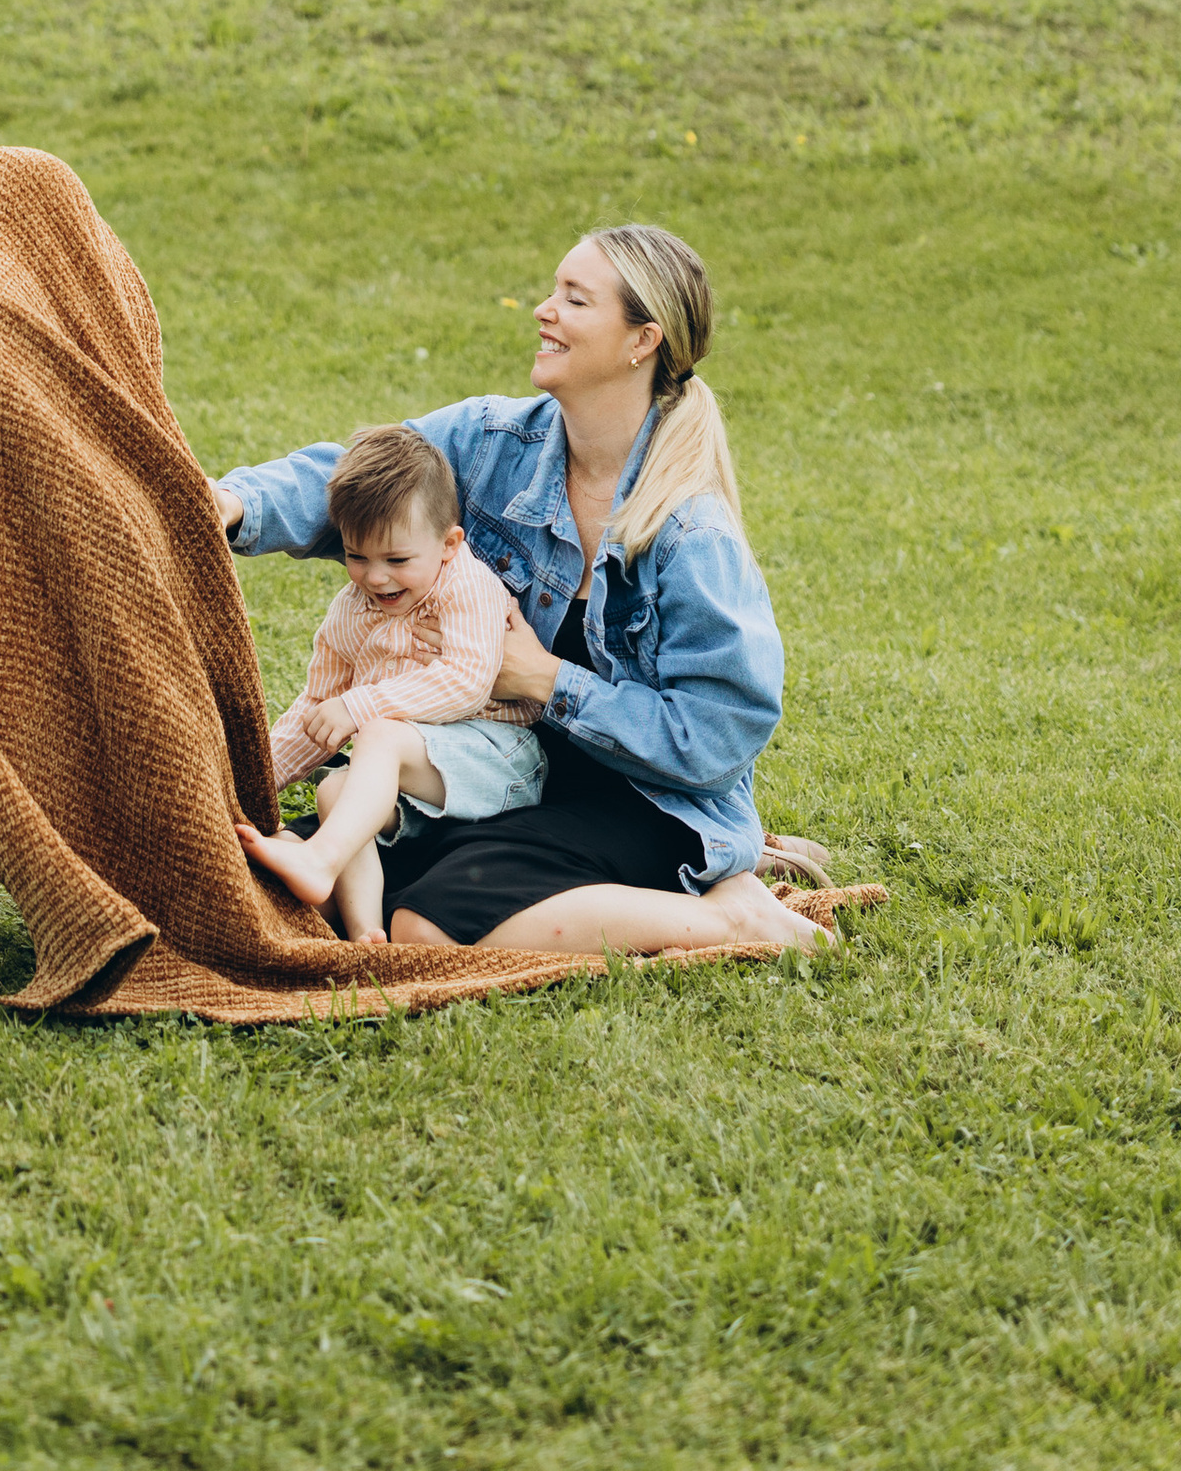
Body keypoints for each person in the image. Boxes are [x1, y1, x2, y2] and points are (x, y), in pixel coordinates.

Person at [211, 224, 826, 957]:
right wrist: (231, 505)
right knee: (284, 871)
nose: (544, 309)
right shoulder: (491, 441)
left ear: (642, 340)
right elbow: (360, 476)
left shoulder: (692, 536)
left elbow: (718, 738)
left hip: (649, 803)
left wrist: (546, 678)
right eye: (551, 291)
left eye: (575, 299)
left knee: (427, 924)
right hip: (509, 771)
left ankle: (736, 916)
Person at [234, 423, 543, 940]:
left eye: (397, 560)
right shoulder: (351, 611)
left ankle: (318, 860)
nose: (376, 578)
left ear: (449, 544)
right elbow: (316, 707)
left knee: (376, 733)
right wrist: (247, 785)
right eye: (357, 557)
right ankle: (366, 935)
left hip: (499, 761)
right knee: (336, 789)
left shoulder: (467, 588)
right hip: (416, 788)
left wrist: (360, 707)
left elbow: (466, 680)